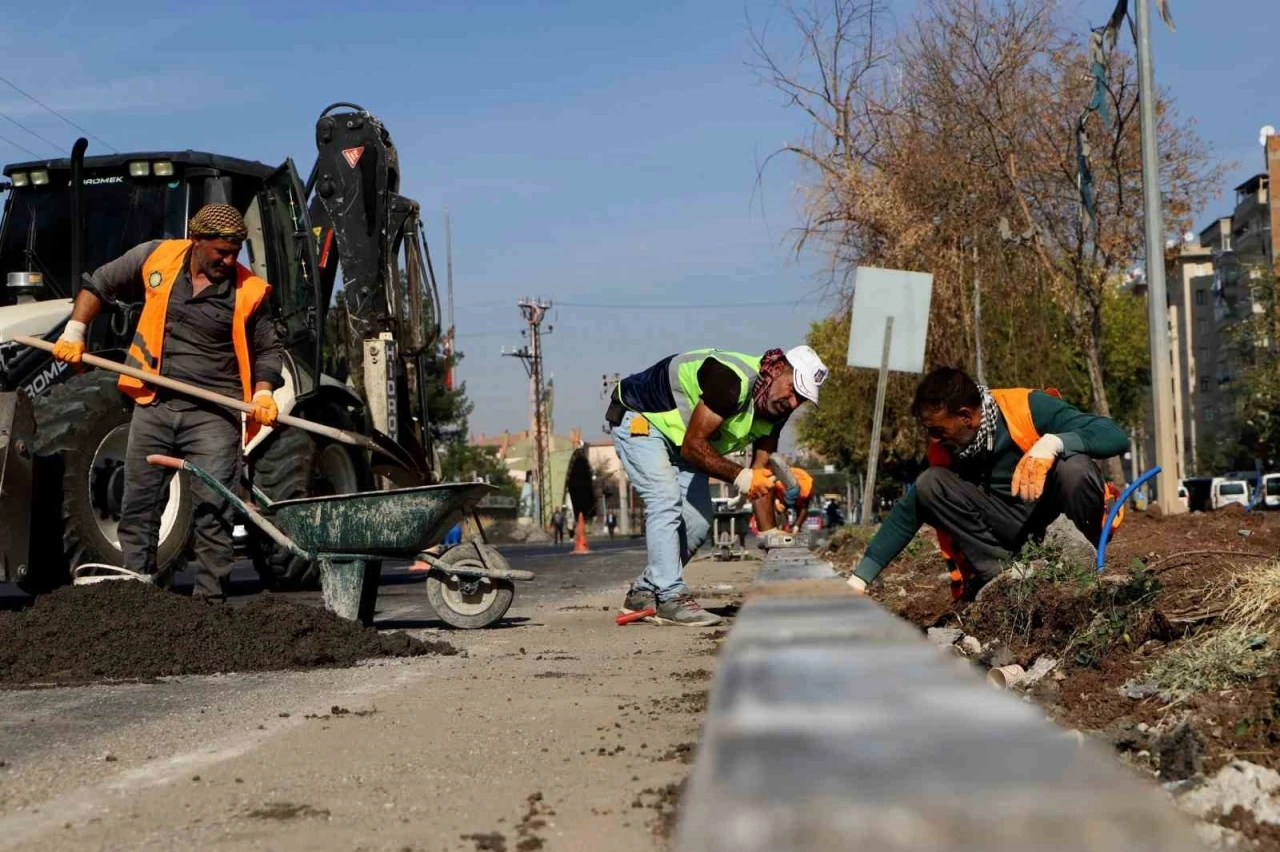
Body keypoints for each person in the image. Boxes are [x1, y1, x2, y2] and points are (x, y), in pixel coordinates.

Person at [51, 204, 284, 602]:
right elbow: (99, 284)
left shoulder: (249, 291)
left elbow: (268, 349)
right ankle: (139, 597)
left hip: (214, 414)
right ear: (196, 241)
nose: (229, 261)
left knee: (213, 513)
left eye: (235, 253)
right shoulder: (156, 257)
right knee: (139, 506)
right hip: (154, 404)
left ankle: (209, 606)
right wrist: (75, 331)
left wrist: (263, 391)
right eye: (220, 252)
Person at [846, 367, 1128, 601]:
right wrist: (859, 580)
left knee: (1073, 466)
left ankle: (1083, 566)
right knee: (929, 483)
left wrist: (1055, 442)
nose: (933, 438)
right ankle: (1004, 580)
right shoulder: (945, 451)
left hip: (1058, 518)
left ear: (966, 416)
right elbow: (907, 512)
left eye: (937, 429)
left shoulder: (1027, 408)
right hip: (1013, 530)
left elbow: (1113, 434)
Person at [607, 345, 828, 626]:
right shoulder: (731, 381)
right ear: (777, 368)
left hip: (684, 441)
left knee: (698, 523)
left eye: (803, 399)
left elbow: (760, 473)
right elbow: (694, 447)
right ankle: (670, 597)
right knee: (665, 499)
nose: (794, 403)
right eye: (794, 390)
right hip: (641, 417)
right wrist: (741, 476)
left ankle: (644, 591)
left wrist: (770, 533)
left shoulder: (776, 411)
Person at [773, 466, 814, 532]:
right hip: (783, 490)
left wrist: (797, 526)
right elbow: (771, 494)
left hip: (801, 484)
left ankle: (800, 529)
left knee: (800, 521)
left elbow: (804, 508)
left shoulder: (805, 490)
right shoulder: (778, 485)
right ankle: (782, 526)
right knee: (779, 509)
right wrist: (776, 502)